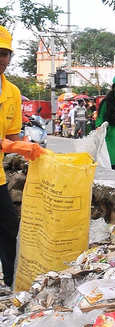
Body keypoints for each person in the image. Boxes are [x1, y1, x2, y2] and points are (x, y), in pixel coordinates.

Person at [0, 26, 42, 288]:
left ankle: (11, 281)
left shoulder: (12, 92)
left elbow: (14, 137)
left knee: (8, 227)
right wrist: (10, 145)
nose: (2, 59)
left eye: (6, 54)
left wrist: (33, 149)